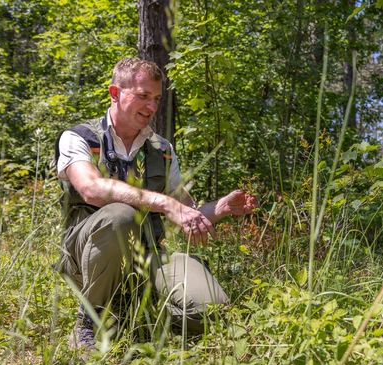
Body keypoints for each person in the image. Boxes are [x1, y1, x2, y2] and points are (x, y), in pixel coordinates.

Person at [53, 57, 257, 349]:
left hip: (149, 257)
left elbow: (184, 210)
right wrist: (165, 203)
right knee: (120, 216)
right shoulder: (80, 138)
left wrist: (219, 209)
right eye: (143, 96)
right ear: (115, 93)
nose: (151, 107)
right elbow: (91, 188)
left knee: (212, 309)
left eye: (157, 99)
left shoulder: (161, 150)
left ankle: (136, 317)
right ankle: (89, 323)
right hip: (88, 255)